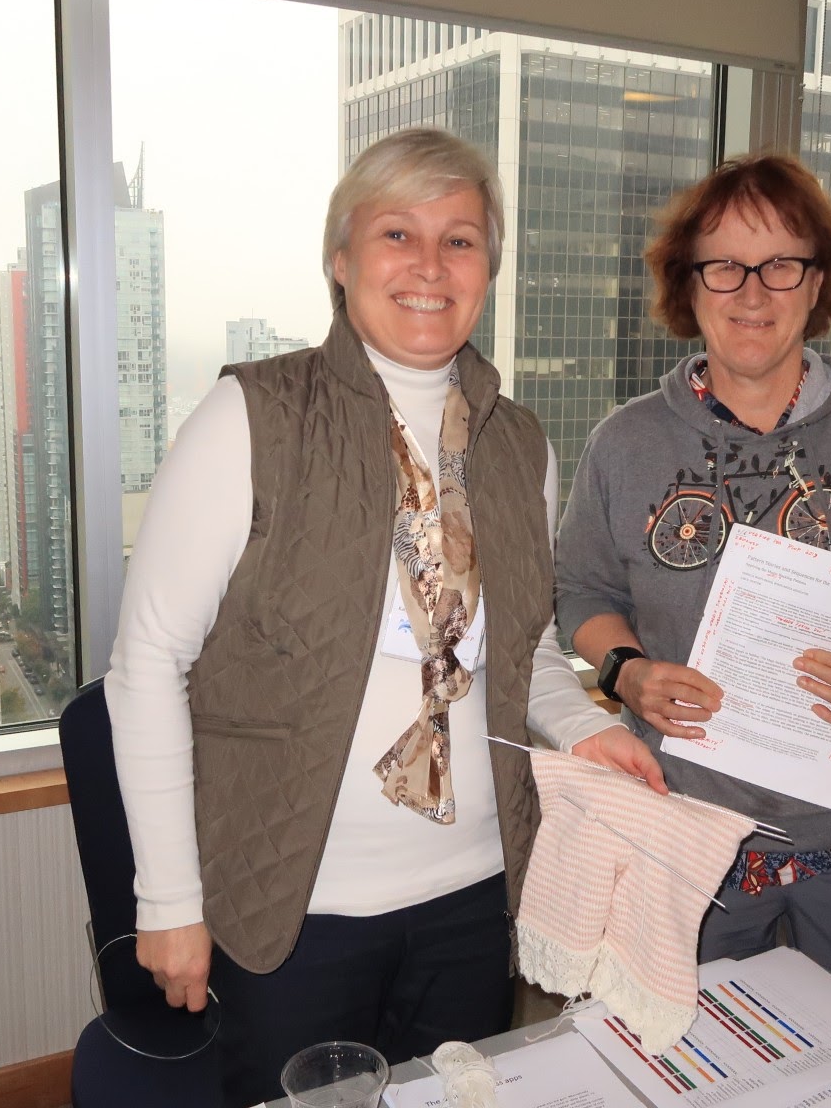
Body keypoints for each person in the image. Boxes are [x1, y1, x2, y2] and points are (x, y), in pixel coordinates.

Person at [105, 127, 663, 1107]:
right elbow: (147, 663)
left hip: (472, 893)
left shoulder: (515, 441)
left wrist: (586, 731)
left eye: (460, 239)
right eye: (396, 233)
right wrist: (168, 901)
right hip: (297, 910)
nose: (428, 265)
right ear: (340, 259)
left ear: (487, 266)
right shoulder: (254, 418)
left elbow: (516, 651)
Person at [555, 153, 831, 1048]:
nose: (752, 291)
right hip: (689, 843)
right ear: (688, 286)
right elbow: (580, 590)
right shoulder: (625, 444)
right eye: (724, 266)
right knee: (681, 1071)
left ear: (818, 282)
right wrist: (628, 672)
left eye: (781, 263)